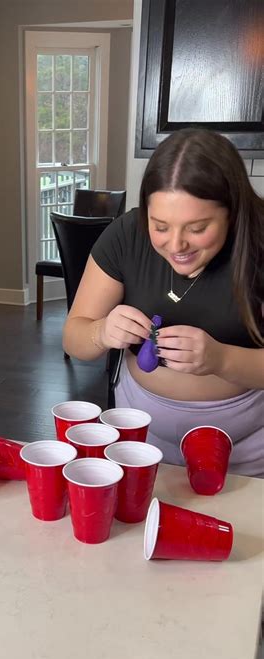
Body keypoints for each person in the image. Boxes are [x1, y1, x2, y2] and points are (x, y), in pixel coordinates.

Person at [63, 128, 264, 477]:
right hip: (140, 433)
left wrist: (221, 358)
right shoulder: (126, 235)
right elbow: (73, 339)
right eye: (160, 226)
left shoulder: (259, 241)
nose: (176, 245)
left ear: (232, 213)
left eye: (198, 228)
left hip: (244, 444)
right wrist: (102, 332)